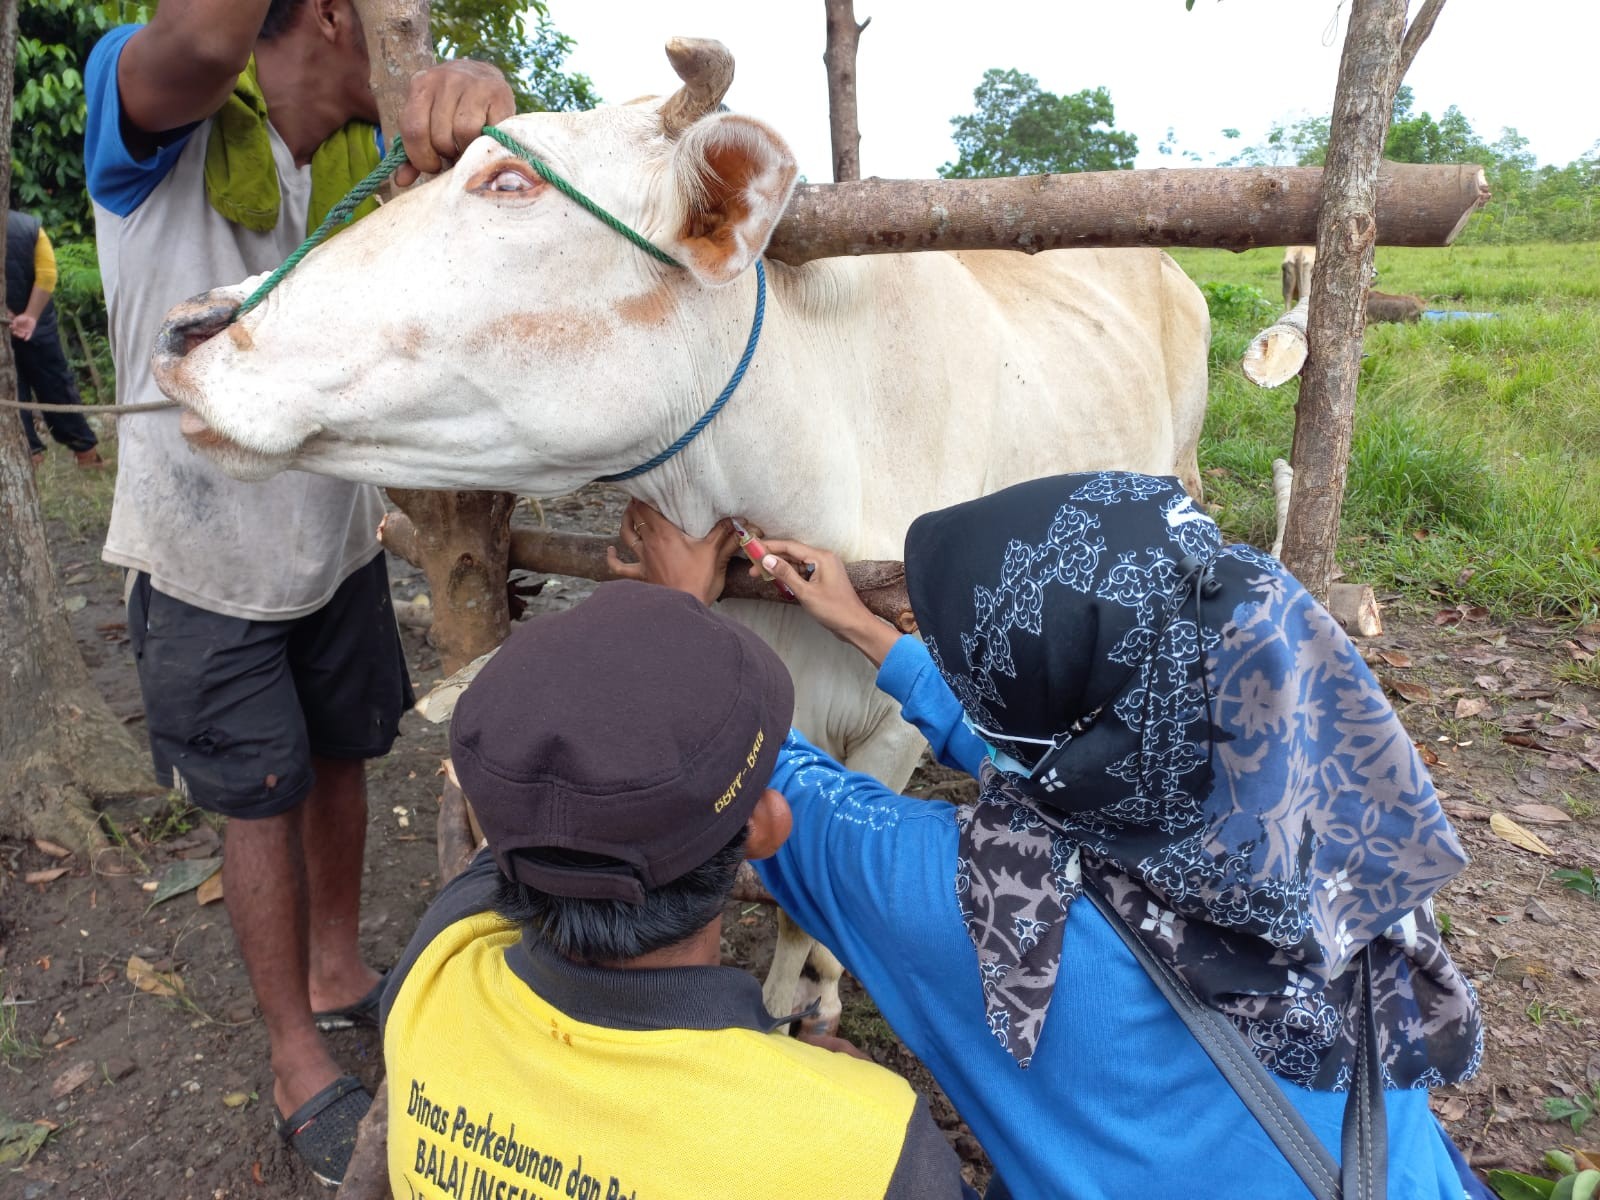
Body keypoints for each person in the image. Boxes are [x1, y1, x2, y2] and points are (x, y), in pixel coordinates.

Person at [622, 475, 1488, 1200]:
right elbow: (1063, 769)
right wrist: (864, 627)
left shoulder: (986, 905)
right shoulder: (1333, 798)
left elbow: (759, 774)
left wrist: (676, 616)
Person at [82, 0, 513, 1185]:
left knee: (338, 756)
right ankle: (291, 1058)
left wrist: (477, 87)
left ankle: (336, 971)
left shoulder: (357, 166)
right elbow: (210, 42)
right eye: (392, 18)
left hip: (335, 540)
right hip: (204, 557)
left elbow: (500, 172)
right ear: (334, 14)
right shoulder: (150, 108)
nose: (408, 42)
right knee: (256, 793)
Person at [382, 579, 972, 1200]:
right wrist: (842, 1106)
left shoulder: (433, 971)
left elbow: (544, 807)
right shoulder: (868, 1152)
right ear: (766, 827)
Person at [5, 210, 104, 468]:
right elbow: (47, 275)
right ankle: (86, 452)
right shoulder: (28, 226)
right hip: (38, 324)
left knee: (10, 390)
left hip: (8, 324)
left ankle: (30, 456)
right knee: (55, 385)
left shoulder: (28, 227)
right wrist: (31, 316)